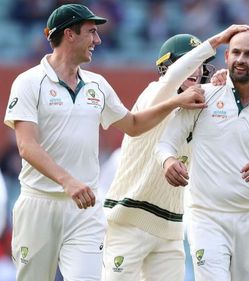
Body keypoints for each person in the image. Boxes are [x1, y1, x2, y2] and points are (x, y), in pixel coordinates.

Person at [3, 4, 207, 281]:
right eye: (91, 32)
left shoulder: (97, 84)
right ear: (69, 35)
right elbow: (27, 147)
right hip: (39, 204)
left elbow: (134, 125)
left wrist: (176, 101)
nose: (98, 40)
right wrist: (68, 181)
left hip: (85, 209)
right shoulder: (28, 82)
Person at [102, 25, 249, 281]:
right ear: (167, 66)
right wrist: (217, 40)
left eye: (201, 65)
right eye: (188, 63)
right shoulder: (156, 92)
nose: (195, 71)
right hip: (129, 219)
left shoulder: (201, 109)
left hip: (171, 228)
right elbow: (174, 78)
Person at [155, 30, 249, 281]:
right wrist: (168, 161)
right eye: (235, 52)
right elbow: (164, 144)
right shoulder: (204, 95)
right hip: (206, 215)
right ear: (226, 56)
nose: (240, 59)